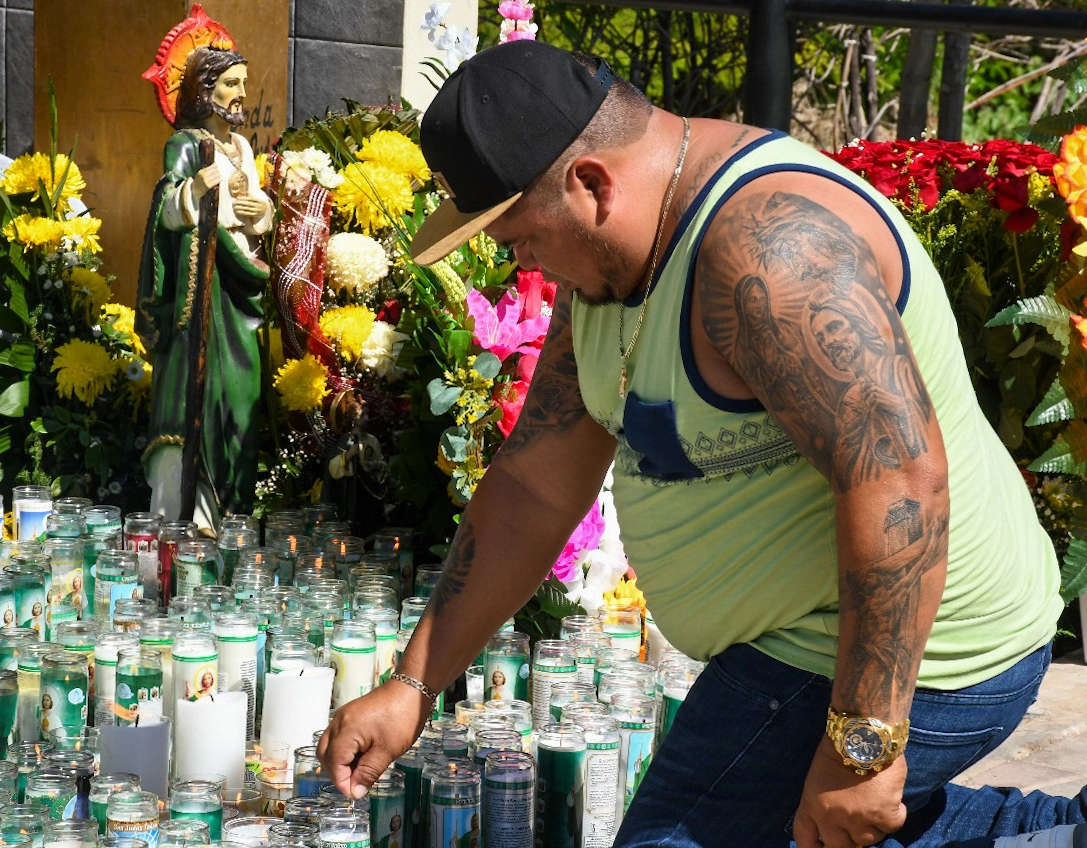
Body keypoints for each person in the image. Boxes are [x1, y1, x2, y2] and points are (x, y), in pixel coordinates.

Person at [318, 41, 1069, 848]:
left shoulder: (771, 258)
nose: (517, 262)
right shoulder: (609, 259)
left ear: (590, 184)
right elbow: (536, 486)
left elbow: (898, 483)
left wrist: (863, 749)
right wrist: (412, 684)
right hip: (796, 643)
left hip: (923, 655)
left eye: (515, 234)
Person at [138, 42, 273, 529]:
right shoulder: (186, 145)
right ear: (204, 88)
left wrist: (264, 215)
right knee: (200, 393)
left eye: (242, 82)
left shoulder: (241, 147)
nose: (240, 94)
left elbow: (256, 210)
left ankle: (231, 514)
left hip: (239, 288)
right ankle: (189, 521)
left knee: (241, 393)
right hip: (202, 290)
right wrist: (195, 187)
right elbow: (164, 210)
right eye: (230, 83)